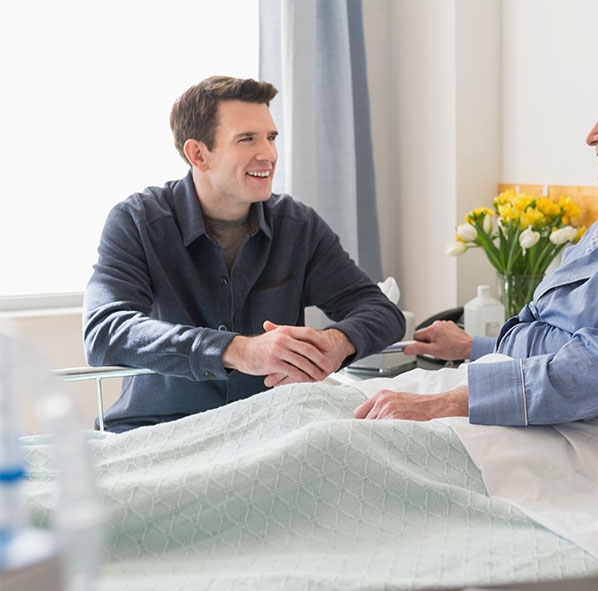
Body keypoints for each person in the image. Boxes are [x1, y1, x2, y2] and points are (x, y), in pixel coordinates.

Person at [355, 42, 598, 484]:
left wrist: (452, 401)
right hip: (557, 416)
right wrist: (475, 348)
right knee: (331, 413)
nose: (592, 134)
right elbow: (563, 339)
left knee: (354, 460)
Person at [84, 76, 405, 433]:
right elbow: (105, 330)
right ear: (198, 154)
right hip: (154, 430)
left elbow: (381, 311)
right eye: (247, 139)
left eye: (270, 137)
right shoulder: (137, 221)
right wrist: (238, 350)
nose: (268, 154)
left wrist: (336, 342)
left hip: (266, 432)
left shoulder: (298, 225)